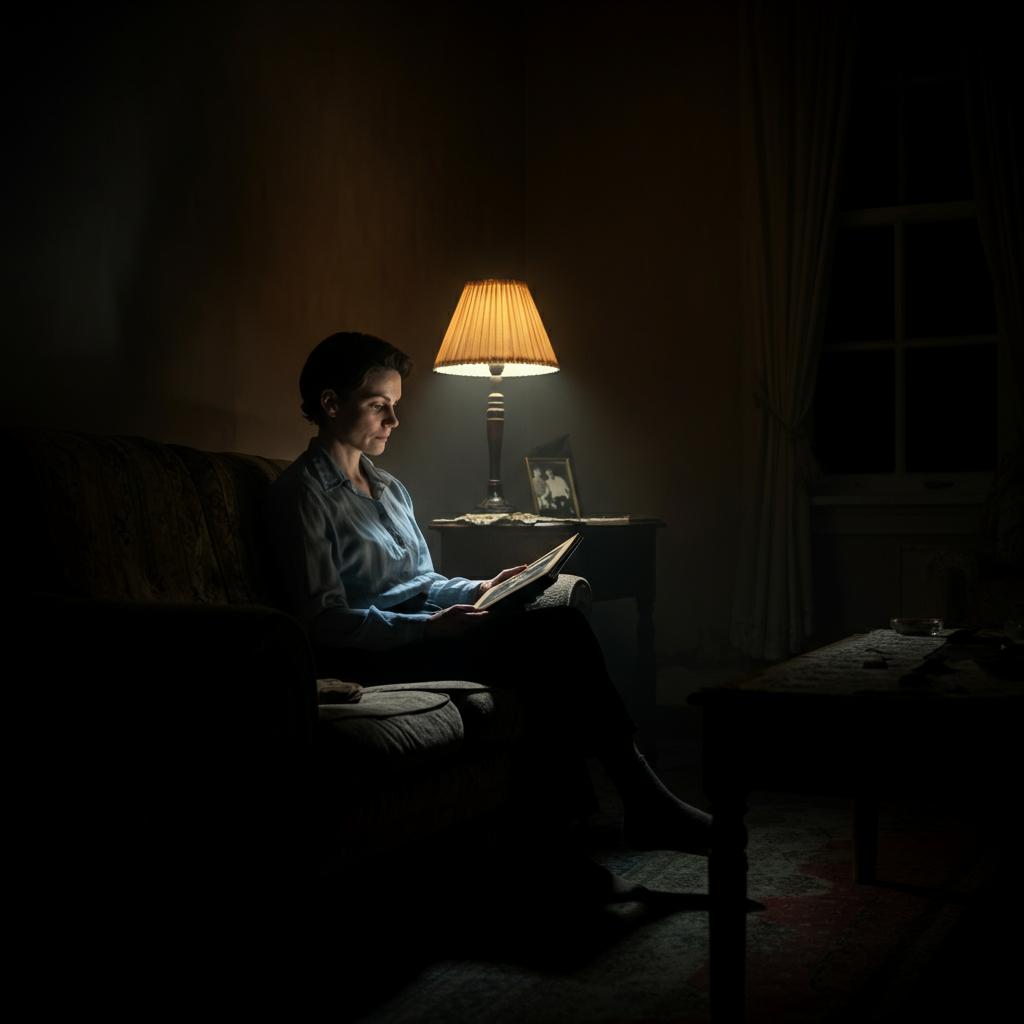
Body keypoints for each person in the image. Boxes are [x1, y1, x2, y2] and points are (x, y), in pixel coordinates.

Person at [263, 332, 711, 855]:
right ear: (331, 403)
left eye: (396, 406)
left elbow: (422, 581)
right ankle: (637, 805)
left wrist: (482, 586)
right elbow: (323, 619)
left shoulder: (388, 488)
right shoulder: (300, 496)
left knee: (552, 636)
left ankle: (573, 843)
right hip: (369, 655)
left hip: (425, 634)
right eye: (379, 406)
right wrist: (428, 627)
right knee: (554, 640)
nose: (394, 421)